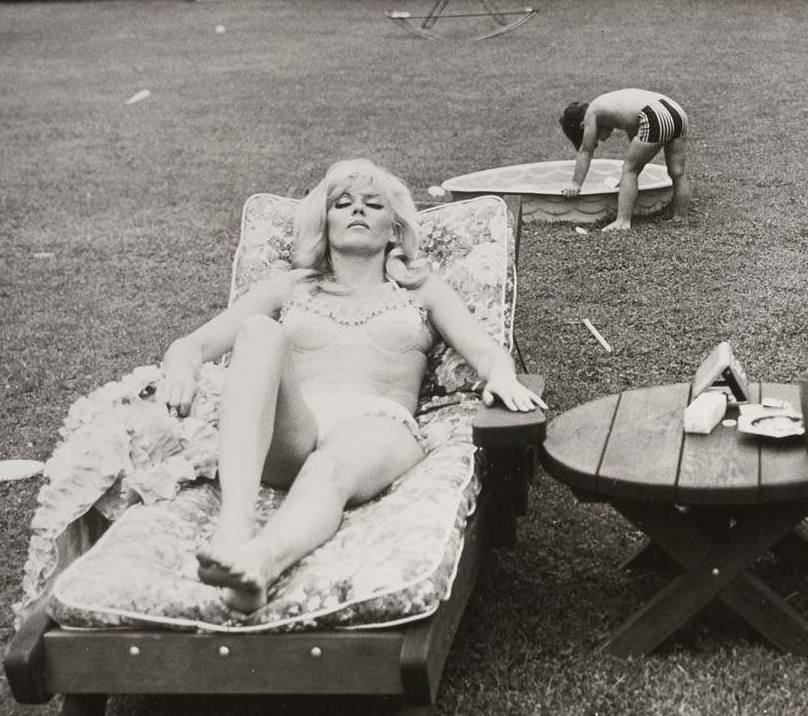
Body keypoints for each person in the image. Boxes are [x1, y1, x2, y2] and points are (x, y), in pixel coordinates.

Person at [159, 159, 543, 613]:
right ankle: (235, 530)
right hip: (295, 423)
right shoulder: (292, 287)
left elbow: (485, 350)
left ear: (394, 229)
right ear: (325, 223)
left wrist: (500, 373)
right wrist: (181, 369)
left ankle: (258, 565)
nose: (357, 211)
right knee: (260, 333)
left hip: (376, 425)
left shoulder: (421, 291)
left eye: (372, 204)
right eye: (343, 204)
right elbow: (191, 346)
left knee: (328, 468)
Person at [560, 88, 692, 229]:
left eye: (597, 138)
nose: (603, 139)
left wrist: (575, 183)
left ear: (583, 126)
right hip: (677, 111)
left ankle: (622, 221)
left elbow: (585, 151)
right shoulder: (614, 107)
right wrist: (624, 184)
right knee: (678, 172)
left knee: (629, 170)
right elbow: (636, 143)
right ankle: (680, 218)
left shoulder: (591, 113)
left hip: (655, 115)